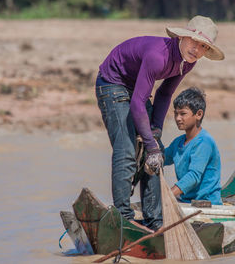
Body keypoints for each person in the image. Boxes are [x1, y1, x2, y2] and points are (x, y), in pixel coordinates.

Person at [95, 15, 224, 231]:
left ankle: (155, 220)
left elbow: (164, 94)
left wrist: (155, 133)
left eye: (203, 47)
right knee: (126, 150)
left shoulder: (188, 63)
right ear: (183, 37)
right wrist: (150, 142)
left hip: (137, 89)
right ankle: (123, 216)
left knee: (156, 153)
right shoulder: (158, 56)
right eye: (194, 42)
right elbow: (137, 103)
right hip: (113, 83)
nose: (196, 50)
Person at [164, 87, 222, 205]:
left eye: (183, 114)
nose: (177, 118)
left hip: (207, 203)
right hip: (187, 202)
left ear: (198, 114)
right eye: (176, 114)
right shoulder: (178, 142)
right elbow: (162, 158)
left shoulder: (204, 142)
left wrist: (168, 195)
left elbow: (193, 176)